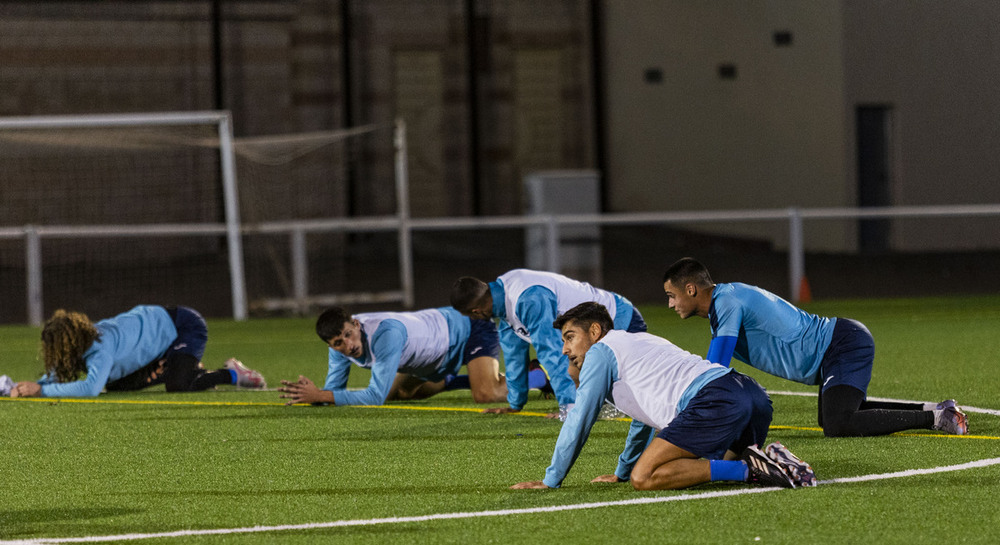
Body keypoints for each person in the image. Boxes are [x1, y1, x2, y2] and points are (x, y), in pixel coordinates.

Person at [511, 302, 816, 490]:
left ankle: (749, 469)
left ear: (594, 331)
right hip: (751, 395)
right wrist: (620, 472)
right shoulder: (638, 341)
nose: (565, 349)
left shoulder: (602, 353)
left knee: (645, 478)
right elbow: (644, 420)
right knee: (695, 466)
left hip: (715, 400)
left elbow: (580, 419)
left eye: (569, 338)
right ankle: (765, 459)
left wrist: (551, 480)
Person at [661, 257, 968, 437]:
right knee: (836, 417)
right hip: (833, 351)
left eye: (672, 295)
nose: (671, 303)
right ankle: (935, 409)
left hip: (841, 344)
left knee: (838, 422)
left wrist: (680, 421)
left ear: (691, 289)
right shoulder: (722, 306)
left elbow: (714, 370)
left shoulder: (725, 302)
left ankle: (937, 419)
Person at [450, 269, 647, 420]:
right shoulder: (502, 300)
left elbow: (552, 352)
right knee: (582, 378)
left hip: (620, 321)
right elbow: (514, 356)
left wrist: (569, 406)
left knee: (616, 393)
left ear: (476, 311)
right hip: (590, 336)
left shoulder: (528, 299)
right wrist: (515, 404)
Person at [9, 305, 265, 398]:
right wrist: (31, 386)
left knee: (179, 386)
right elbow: (60, 372)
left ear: (69, 345)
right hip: (159, 341)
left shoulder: (101, 349)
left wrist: (42, 390)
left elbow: (89, 389)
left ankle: (232, 373)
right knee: (118, 387)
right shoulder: (84, 341)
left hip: (183, 326)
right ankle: (179, 366)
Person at [277, 306, 509, 406]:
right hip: (432, 359)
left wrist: (321, 396)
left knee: (486, 395)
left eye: (349, 335)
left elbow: (374, 397)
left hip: (467, 329)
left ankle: (537, 376)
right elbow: (333, 391)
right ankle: (465, 379)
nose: (348, 346)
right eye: (338, 343)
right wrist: (315, 396)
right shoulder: (338, 348)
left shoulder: (385, 334)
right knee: (400, 393)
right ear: (330, 345)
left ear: (356, 324)